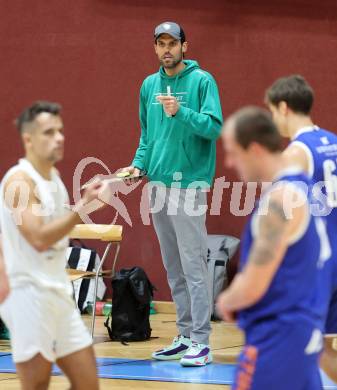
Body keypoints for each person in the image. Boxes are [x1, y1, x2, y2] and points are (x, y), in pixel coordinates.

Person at [122, 21, 223, 366]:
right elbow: (146, 136)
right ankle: (183, 336)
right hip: (158, 185)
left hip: (189, 184)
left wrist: (181, 112)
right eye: (160, 43)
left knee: (193, 264)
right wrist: (138, 166)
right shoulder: (149, 85)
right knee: (173, 266)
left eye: (172, 43)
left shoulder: (202, 81)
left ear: (185, 46)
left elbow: (213, 127)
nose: (166, 49)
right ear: (154, 48)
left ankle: (201, 341)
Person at [0, 101, 108, 389]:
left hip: (58, 292)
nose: (59, 138)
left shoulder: (55, 179)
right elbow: (37, 238)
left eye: (60, 131)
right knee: (36, 385)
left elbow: (46, 228)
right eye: (49, 132)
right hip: (28, 296)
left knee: (88, 383)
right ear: (28, 139)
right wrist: (83, 207)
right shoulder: (19, 181)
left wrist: (82, 206)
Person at [218, 107, 325, 389]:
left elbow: (253, 285)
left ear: (254, 149)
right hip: (303, 333)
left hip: (276, 339)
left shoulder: (279, 201)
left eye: (232, 152)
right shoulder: (302, 186)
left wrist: (226, 300)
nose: (229, 162)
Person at [265, 75, 337, 383]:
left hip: (319, 262)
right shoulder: (333, 140)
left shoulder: (295, 154)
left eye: (270, 111)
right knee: (324, 343)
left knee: (302, 344)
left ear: (283, 108)